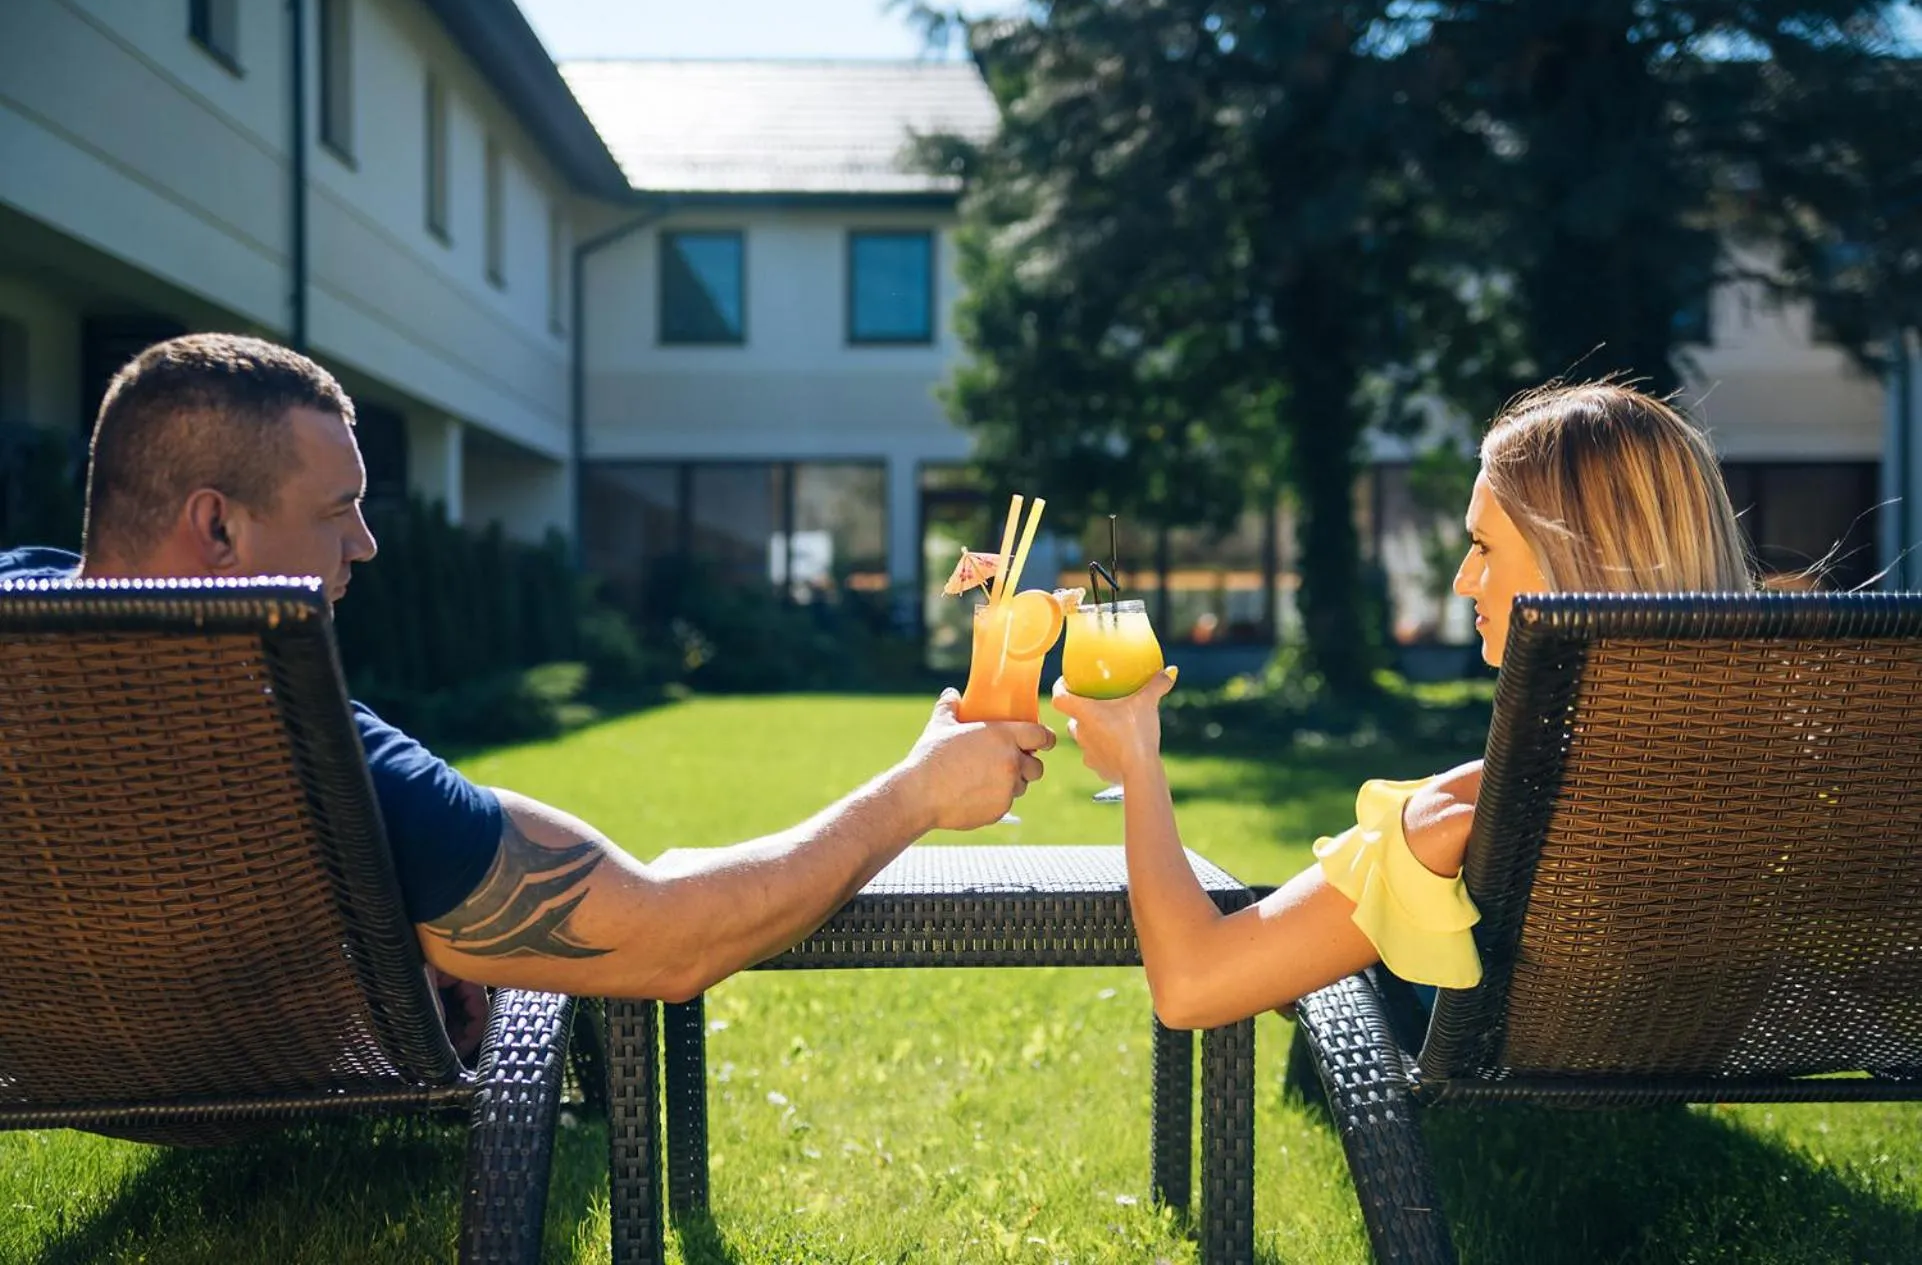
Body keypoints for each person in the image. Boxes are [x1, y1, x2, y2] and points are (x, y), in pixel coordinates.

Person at [0, 333, 1053, 1019]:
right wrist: (917, 790)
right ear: (218, 524)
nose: (364, 545)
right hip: (253, 1064)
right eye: (338, 511)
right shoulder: (321, 767)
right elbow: (667, 937)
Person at [1052, 380, 1754, 1030]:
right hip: (1675, 1045)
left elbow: (1193, 985)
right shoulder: (1792, 781)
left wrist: (1138, 760)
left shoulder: (1471, 813)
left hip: (1425, 1054)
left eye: (1482, 547)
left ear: (1576, 564)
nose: (1461, 580)